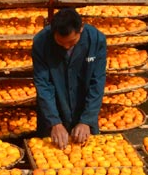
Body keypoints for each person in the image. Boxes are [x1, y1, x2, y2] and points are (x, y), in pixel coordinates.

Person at [32, 8, 107, 149]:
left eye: (71, 42)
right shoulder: (41, 42)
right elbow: (43, 84)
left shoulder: (96, 40)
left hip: (83, 107)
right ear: (52, 32)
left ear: (81, 29)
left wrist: (86, 120)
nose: (66, 46)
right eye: (60, 43)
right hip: (53, 110)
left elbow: (97, 83)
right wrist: (54, 122)